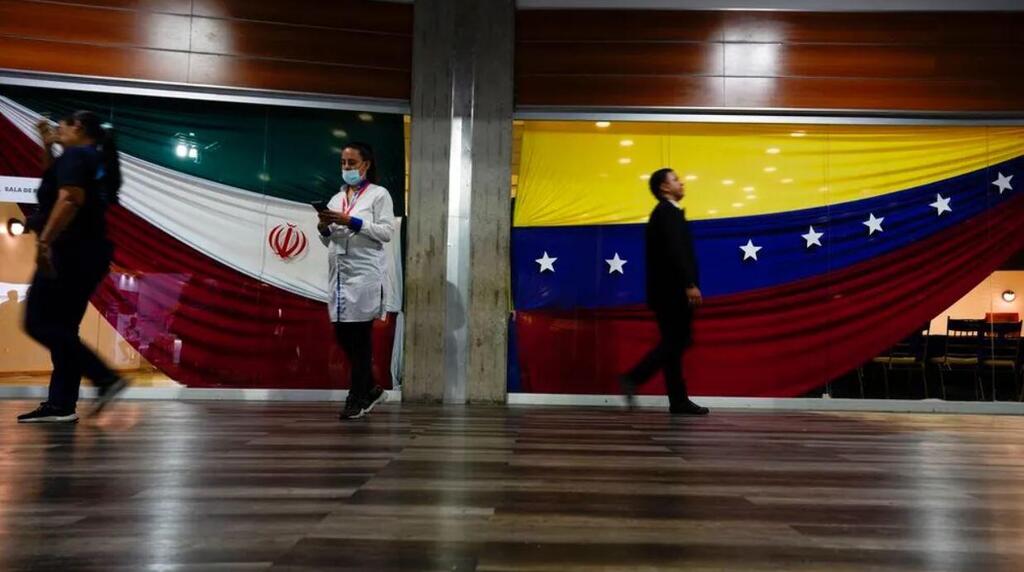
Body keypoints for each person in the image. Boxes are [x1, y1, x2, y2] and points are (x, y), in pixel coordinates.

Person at [17, 111, 128, 423]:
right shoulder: (90, 157)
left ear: (77, 127)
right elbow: (54, 182)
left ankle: (104, 377)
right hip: (89, 254)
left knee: (37, 322)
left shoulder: (77, 157)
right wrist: (47, 143)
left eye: (60, 126)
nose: (56, 131)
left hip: (69, 253)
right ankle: (61, 405)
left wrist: (44, 242)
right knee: (63, 330)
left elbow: (68, 199)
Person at [620, 168, 709, 415]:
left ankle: (678, 401)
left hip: (668, 292)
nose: (682, 182)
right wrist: (689, 284)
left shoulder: (668, 213)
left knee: (675, 345)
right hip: (672, 293)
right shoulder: (666, 214)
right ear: (664, 188)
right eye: (676, 180)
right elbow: (675, 252)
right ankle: (634, 378)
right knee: (676, 342)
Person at [317, 142, 396, 420]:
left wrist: (353, 222)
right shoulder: (336, 198)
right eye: (343, 163)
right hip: (339, 275)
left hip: (364, 275)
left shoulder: (378, 195)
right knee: (342, 334)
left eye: (352, 163)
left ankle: (357, 397)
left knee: (360, 338)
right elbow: (327, 238)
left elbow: (387, 232)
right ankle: (371, 388)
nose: (346, 168)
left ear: (366, 165)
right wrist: (324, 227)